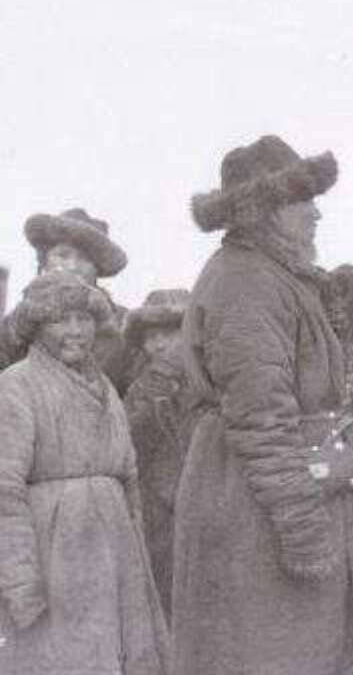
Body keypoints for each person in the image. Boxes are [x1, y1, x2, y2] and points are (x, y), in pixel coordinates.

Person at [173, 135, 353, 675]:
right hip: (262, 518)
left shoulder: (282, 279)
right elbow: (261, 421)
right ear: (263, 212)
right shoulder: (245, 285)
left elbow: (310, 388)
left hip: (297, 501)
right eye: (303, 201)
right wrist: (301, 529)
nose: (317, 214)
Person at [0, 272, 170, 674]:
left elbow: (128, 476)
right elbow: (4, 492)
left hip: (116, 554)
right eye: (62, 321)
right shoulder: (16, 386)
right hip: (56, 556)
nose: (76, 331)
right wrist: (20, 582)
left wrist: (136, 554)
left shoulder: (106, 387)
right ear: (37, 328)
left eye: (84, 319)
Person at [0, 208, 141, 392]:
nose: (72, 266)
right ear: (44, 262)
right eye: (63, 255)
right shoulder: (14, 323)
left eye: (83, 259)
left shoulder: (123, 324)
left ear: (97, 269)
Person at [123, 288, 197, 623]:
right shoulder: (141, 389)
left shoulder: (215, 382)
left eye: (169, 333)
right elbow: (127, 445)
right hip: (161, 516)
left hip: (209, 507)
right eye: (151, 337)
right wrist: (156, 403)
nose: (159, 345)